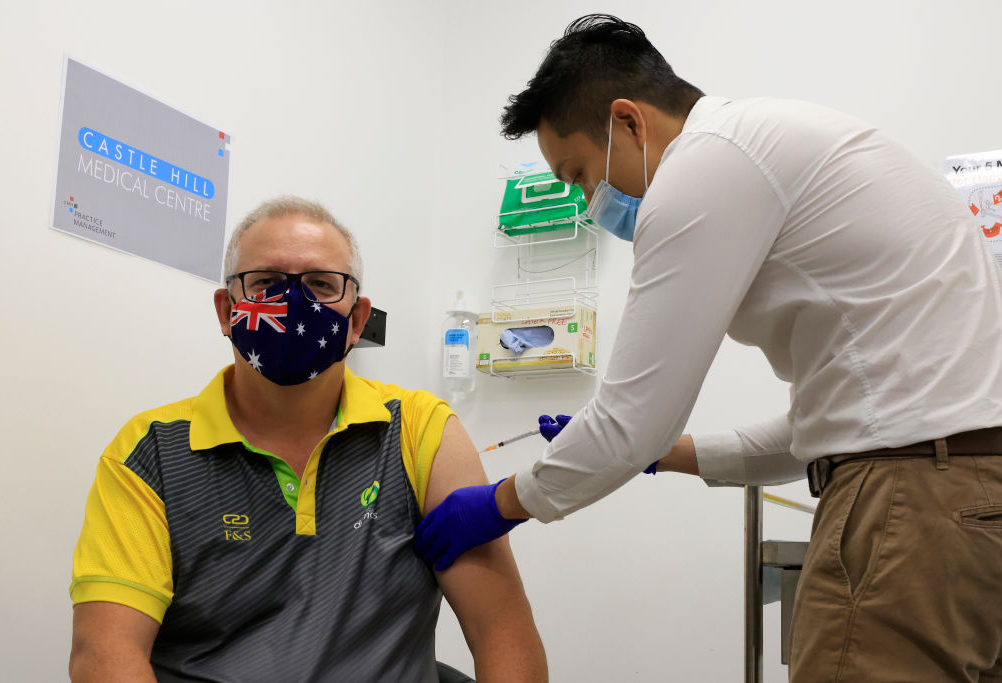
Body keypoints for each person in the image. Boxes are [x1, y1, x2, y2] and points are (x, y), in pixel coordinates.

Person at [415, 14, 1002, 682]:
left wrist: (498, 503)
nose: (588, 202)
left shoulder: (701, 170)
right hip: (973, 507)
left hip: (913, 512)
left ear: (630, 122)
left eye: (579, 174)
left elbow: (630, 423)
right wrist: (667, 455)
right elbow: (831, 427)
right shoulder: (778, 143)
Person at [69, 196, 548, 683]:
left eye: (321, 284)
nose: (294, 302)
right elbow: (106, 654)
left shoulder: (418, 428)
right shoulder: (150, 453)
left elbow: (501, 630)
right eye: (266, 283)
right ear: (226, 309)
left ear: (357, 321)